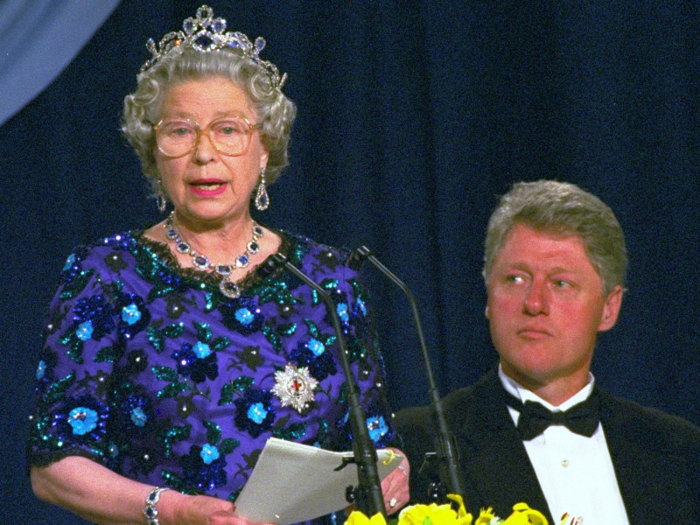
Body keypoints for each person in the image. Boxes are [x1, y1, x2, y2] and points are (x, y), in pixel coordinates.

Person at [27, 6, 408, 525]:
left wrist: (395, 469)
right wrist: (173, 510)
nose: (204, 154)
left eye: (228, 130)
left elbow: (377, 446)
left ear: (264, 148)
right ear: (153, 151)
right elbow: (54, 464)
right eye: (180, 131)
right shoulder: (107, 275)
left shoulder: (329, 279)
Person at [395, 180, 700, 525]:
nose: (534, 303)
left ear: (608, 308)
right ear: (488, 295)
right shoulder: (419, 444)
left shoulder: (680, 453)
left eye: (561, 283)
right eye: (515, 279)